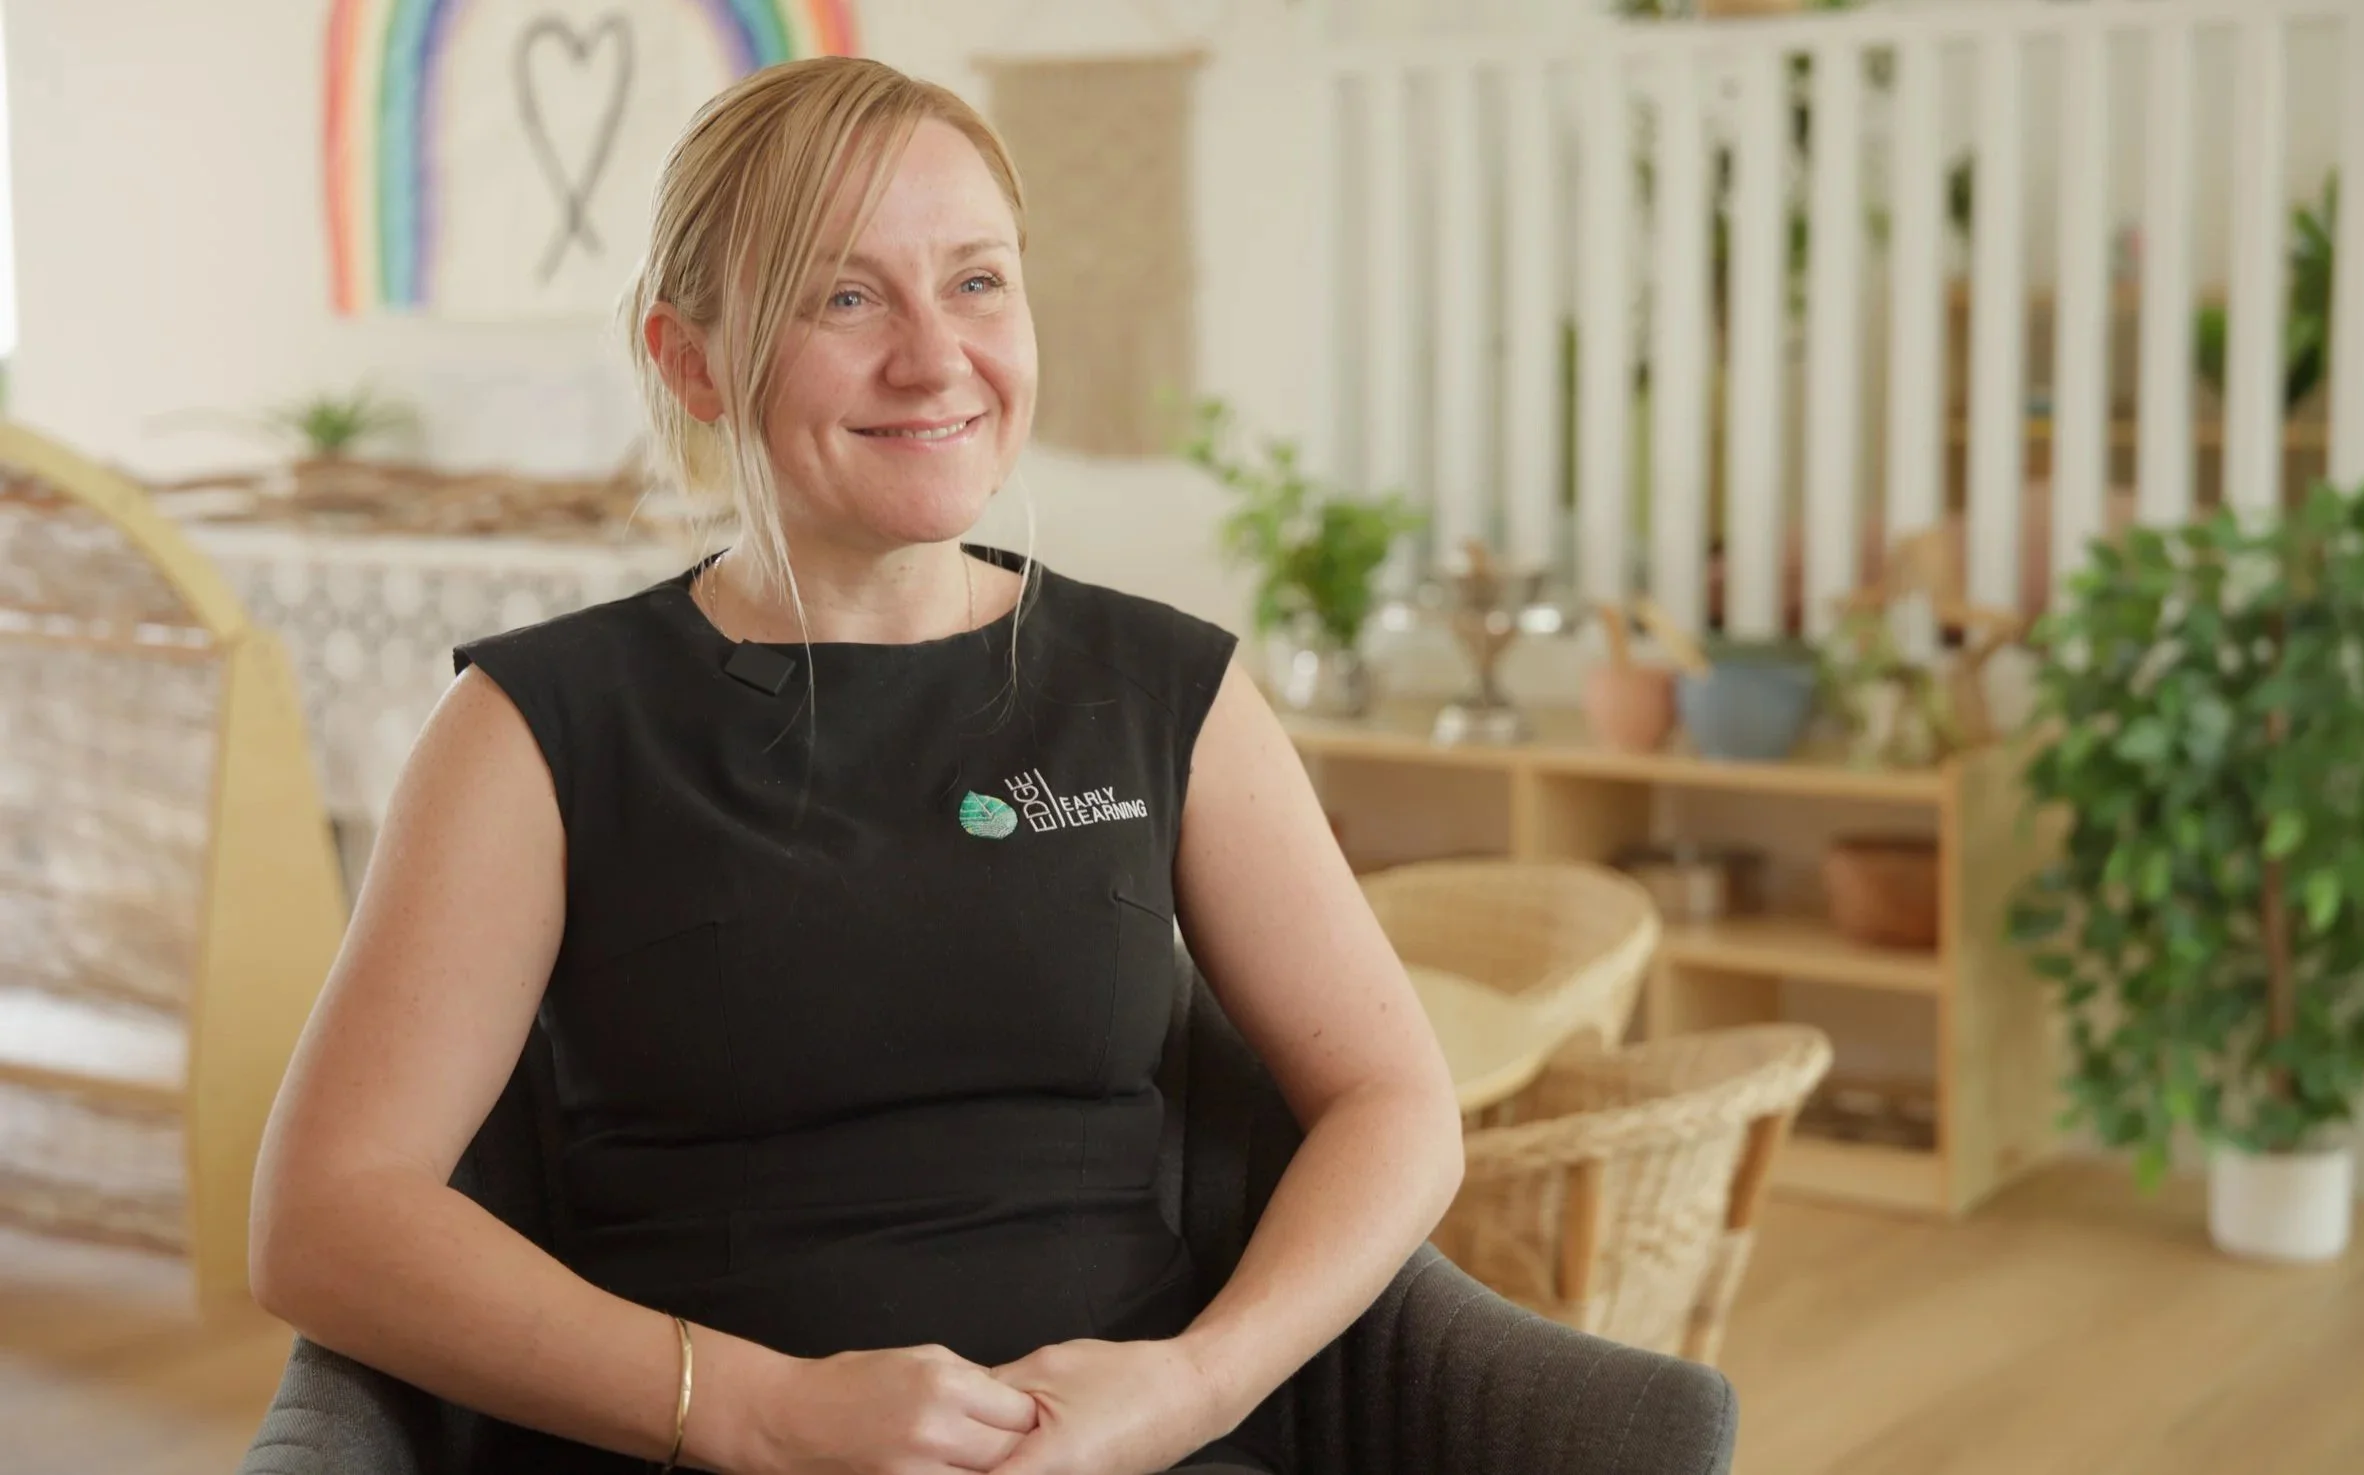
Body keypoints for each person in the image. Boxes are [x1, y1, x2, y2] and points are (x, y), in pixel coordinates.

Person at [247, 56, 1464, 1475]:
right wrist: (760, 1412)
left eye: (977, 282)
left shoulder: (1166, 689)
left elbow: (1398, 1103)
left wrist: (1192, 1388)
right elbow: (325, 1213)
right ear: (690, 357)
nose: (935, 357)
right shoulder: (536, 727)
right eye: (844, 295)